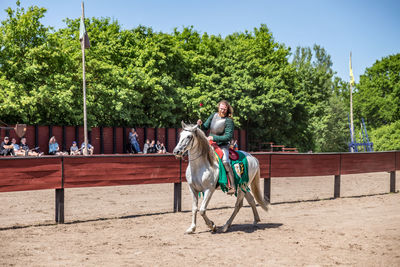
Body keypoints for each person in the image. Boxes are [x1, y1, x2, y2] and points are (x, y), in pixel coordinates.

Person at [197, 100, 235, 194]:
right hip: (211, 143)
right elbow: (205, 127)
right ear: (218, 107)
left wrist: (214, 137)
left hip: (223, 145)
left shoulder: (229, 121)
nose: (222, 110)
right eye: (221, 108)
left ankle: (232, 186)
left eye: (224, 109)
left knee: (225, 161)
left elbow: (228, 137)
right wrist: (200, 124)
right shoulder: (213, 115)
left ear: (227, 109)